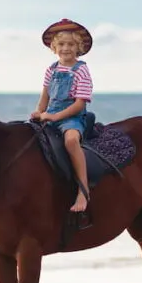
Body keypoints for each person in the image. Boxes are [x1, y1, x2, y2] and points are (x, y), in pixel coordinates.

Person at [31, 19, 94, 213]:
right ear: (54, 47)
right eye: (61, 44)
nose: (66, 48)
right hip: (50, 115)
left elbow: (79, 104)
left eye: (71, 44)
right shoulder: (52, 69)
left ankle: (83, 191)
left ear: (78, 47)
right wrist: (39, 112)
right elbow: (45, 96)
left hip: (71, 118)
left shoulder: (81, 70)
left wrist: (56, 117)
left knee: (71, 141)